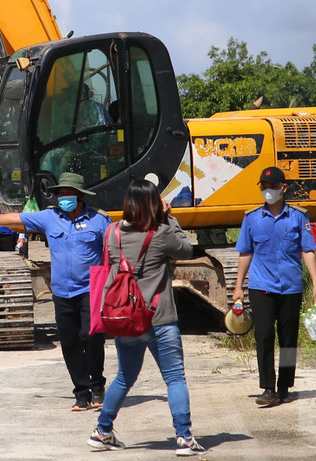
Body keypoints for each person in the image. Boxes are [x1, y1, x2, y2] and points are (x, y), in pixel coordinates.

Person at [86, 179, 207, 456]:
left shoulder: (112, 232)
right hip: (159, 318)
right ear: (154, 204)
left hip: (125, 319)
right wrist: (169, 217)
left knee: (124, 378)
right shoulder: (161, 232)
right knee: (175, 378)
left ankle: (102, 432)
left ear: (128, 203)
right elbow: (186, 250)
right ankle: (184, 438)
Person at [0, 172, 110, 411]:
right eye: (60, 193)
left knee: (91, 336)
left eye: (68, 193)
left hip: (91, 289)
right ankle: (82, 392)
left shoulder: (99, 220)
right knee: (69, 342)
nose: (63, 197)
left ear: (79, 195)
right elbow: (15, 218)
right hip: (62, 292)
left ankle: (97, 385)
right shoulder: (50, 217)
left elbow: (114, 248)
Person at [233, 166, 316, 407]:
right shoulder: (251, 218)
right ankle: (267, 388)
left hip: (290, 287)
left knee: (288, 338)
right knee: (263, 336)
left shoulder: (298, 217)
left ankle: (284, 386)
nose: (267, 191)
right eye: (264, 186)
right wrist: (238, 287)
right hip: (261, 286)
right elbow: (245, 252)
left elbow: (307, 249)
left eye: (272, 187)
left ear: (283, 188)